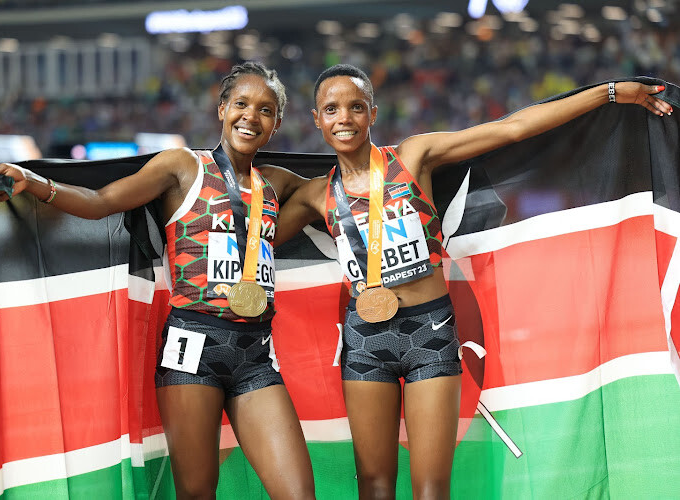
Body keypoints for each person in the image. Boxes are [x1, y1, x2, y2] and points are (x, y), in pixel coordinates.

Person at [273, 64, 672, 500]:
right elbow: (254, 237)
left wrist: (610, 93)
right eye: (331, 109)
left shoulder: (412, 157)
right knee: (374, 485)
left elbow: (512, 129)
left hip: (429, 333)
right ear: (316, 119)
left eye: (355, 107)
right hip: (365, 341)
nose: (344, 118)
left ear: (373, 113)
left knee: (431, 488)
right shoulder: (317, 195)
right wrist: (259, 172)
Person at [0, 62, 315, 500]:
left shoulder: (275, 184)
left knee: (298, 493)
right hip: (192, 350)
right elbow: (102, 200)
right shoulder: (184, 166)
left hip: (255, 355)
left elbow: (343, 192)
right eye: (241, 104)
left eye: (266, 110)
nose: (251, 116)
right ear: (221, 109)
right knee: (197, 494)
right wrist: (35, 182)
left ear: (277, 123)